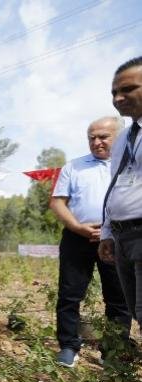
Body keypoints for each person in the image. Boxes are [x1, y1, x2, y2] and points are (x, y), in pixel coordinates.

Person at [50, 116, 131, 368]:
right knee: (70, 295)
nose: (96, 142)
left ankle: (113, 351)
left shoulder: (131, 165)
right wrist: (77, 227)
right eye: (91, 138)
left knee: (119, 297)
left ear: (118, 137)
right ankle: (68, 346)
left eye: (103, 137)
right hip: (78, 238)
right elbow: (57, 202)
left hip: (117, 239)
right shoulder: (73, 167)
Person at [98, 56, 142, 382]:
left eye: (128, 88)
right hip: (126, 237)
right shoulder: (126, 139)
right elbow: (117, 187)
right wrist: (108, 232)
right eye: (115, 90)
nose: (118, 97)